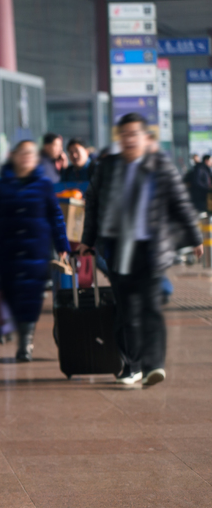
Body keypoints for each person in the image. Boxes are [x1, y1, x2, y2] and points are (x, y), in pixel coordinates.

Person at [79, 113, 203, 387]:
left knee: (150, 308)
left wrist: (195, 236)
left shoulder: (160, 165)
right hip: (118, 248)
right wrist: (87, 239)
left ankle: (154, 365)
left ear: (146, 138)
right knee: (125, 311)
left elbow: (180, 202)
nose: (129, 139)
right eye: (124, 135)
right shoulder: (107, 166)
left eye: (134, 134)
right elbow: (93, 202)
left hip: (151, 249)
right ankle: (130, 366)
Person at [0, 140, 70, 362]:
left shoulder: (44, 185)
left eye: (31, 153)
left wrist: (62, 245)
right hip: (7, 249)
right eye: (22, 153)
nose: (27, 157)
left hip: (35, 250)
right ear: (14, 156)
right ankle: (20, 331)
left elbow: (56, 217)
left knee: (31, 296)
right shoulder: (1, 185)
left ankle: (25, 341)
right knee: (10, 293)